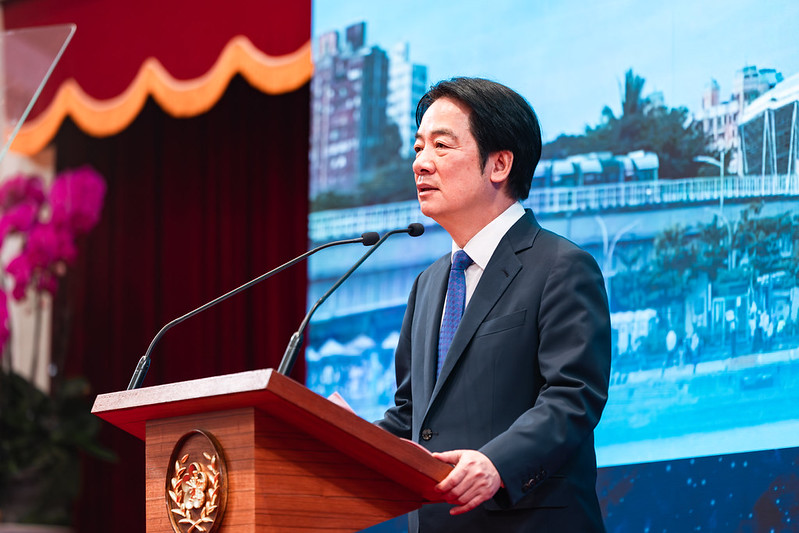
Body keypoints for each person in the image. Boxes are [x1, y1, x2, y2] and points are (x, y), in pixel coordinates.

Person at [376, 77, 611, 532]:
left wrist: (497, 463)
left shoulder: (561, 266)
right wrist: (341, 441)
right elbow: (411, 415)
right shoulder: (428, 285)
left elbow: (573, 396)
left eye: (441, 146)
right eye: (418, 147)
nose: (420, 162)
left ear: (499, 164)